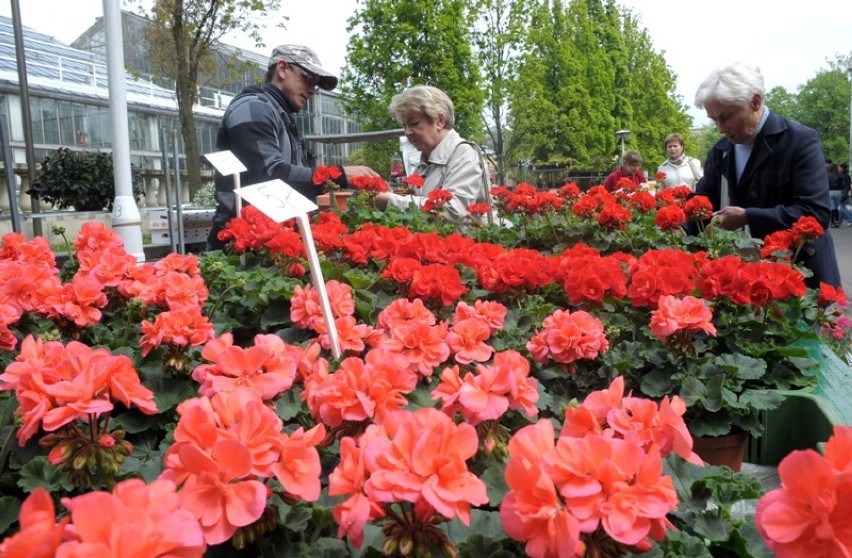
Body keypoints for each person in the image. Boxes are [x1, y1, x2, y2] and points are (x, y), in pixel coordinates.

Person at [206, 44, 379, 250]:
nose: (312, 90)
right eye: (308, 79)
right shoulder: (253, 108)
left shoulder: (278, 114)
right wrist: (339, 175)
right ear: (282, 69)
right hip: (238, 252)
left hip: (267, 245)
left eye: (316, 85)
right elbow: (267, 178)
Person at [692, 62, 841, 288]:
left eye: (726, 117)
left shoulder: (800, 141)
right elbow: (702, 204)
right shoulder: (721, 151)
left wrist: (748, 216)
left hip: (804, 275)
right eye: (714, 120)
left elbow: (816, 213)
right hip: (755, 276)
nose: (720, 128)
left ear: (755, 102)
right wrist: (678, 222)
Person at [371, 85, 493, 224]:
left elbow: (453, 211)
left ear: (439, 121)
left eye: (414, 123)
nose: (407, 132)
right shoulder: (425, 161)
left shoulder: (465, 154)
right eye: (405, 126)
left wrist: (389, 200)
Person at [827, 162, 845, 227]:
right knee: (837, 207)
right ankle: (836, 221)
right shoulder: (840, 175)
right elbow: (843, 185)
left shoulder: (828, 175)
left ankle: (832, 222)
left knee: (832, 207)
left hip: (830, 192)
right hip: (838, 192)